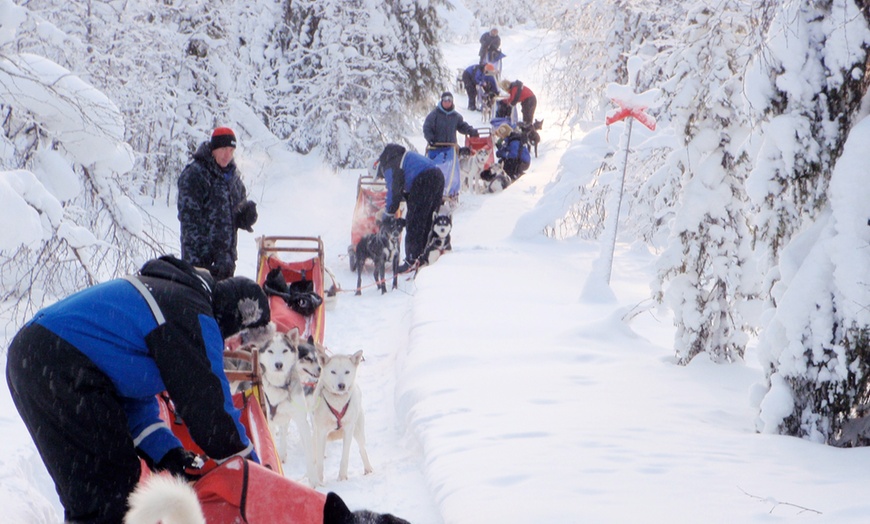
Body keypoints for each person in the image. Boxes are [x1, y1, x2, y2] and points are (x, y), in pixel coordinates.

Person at [5, 255, 270, 523]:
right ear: (235, 318)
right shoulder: (192, 310)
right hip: (59, 363)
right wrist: (254, 473)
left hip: (38, 357)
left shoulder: (168, 295)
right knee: (107, 493)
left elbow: (133, 395)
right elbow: (211, 410)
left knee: (98, 490)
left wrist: (169, 452)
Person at [177, 126, 258, 281]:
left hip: (226, 262)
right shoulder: (195, 174)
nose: (228, 155)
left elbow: (234, 213)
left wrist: (246, 217)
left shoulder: (233, 178)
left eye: (231, 150)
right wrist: (197, 262)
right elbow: (189, 221)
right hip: (201, 264)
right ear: (214, 148)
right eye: (224, 149)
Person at [376, 143, 445, 270]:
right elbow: (407, 192)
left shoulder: (389, 164)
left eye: (382, 177)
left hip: (425, 179)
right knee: (427, 221)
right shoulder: (401, 157)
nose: (384, 178)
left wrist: (388, 214)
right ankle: (425, 256)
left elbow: (393, 190)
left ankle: (412, 260)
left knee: (415, 223)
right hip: (437, 177)